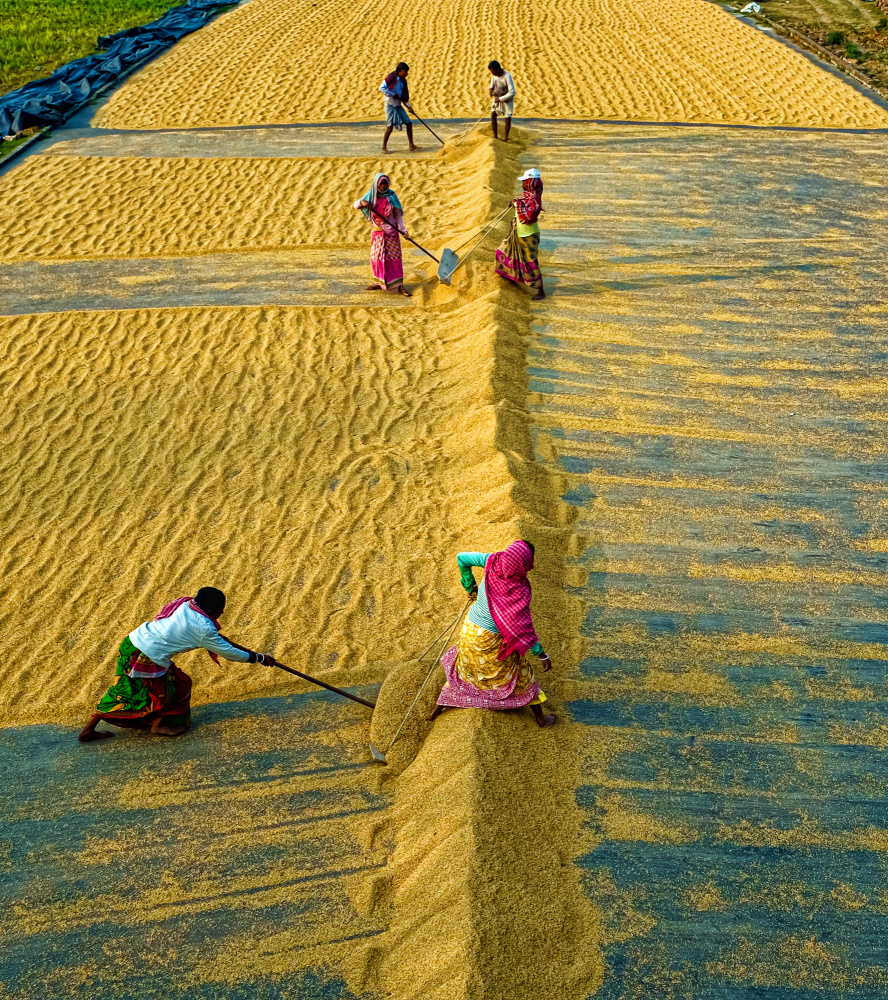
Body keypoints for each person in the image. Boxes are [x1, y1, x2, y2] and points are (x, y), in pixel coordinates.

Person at [78, 587, 279, 742]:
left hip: (132, 643)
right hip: (146, 657)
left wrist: (224, 640)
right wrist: (259, 658)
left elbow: (213, 637)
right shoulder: (204, 629)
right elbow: (230, 653)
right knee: (139, 691)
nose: (222, 612)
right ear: (209, 610)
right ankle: (154, 726)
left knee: (174, 683)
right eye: (221, 609)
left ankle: (155, 722)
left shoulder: (185, 604)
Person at [430, 541, 557, 728]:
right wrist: (541, 654)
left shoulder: (493, 560)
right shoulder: (518, 590)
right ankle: (541, 719)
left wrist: (470, 585)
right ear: (525, 565)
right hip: (491, 639)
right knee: (521, 673)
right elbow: (524, 628)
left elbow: (461, 558)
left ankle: (438, 709)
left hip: (470, 630)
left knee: (465, 668)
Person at [354, 173, 411, 296]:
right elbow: (356, 204)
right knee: (376, 259)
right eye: (381, 183)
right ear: (376, 184)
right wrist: (362, 202)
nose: (384, 186)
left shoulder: (391, 196)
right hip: (378, 234)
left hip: (391, 234)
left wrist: (404, 230)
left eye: (385, 183)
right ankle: (378, 282)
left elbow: (398, 217)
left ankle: (400, 286)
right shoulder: (371, 196)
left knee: (394, 260)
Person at [494, 167, 546, 301]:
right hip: (518, 232)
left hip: (529, 236)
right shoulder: (527, 196)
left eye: (524, 181)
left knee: (530, 263)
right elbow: (522, 204)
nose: (522, 184)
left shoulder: (535, 200)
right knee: (503, 251)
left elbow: (529, 215)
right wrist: (516, 202)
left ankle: (540, 290)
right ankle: (507, 275)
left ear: (530, 183)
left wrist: (516, 203)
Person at [380, 62, 418, 154]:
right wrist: (393, 94)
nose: (406, 74)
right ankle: (384, 148)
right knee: (390, 128)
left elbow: (403, 96)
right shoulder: (391, 77)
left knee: (409, 123)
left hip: (398, 105)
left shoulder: (403, 81)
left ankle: (411, 145)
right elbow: (382, 88)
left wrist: (409, 107)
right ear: (400, 71)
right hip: (390, 105)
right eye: (405, 72)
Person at [488, 60, 516, 142]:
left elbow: (512, 92)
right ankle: (495, 136)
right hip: (497, 98)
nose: (493, 75)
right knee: (493, 114)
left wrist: (500, 99)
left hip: (506, 99)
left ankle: (506, 138)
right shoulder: (494, 76)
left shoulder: (507, 76)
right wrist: (490, 90)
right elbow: (492, 86)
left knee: (507, 118)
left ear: (498, 69)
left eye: (494, 72)